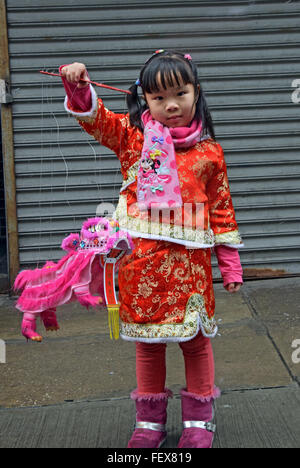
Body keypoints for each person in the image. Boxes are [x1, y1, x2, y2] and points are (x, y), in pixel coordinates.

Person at [60, 50, 243, 449]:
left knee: (195, 342)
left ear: (197, 92)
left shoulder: (210, 153)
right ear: (145, 99)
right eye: (159, 98)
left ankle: (199, 423)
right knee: (148, 343)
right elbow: (98, 121)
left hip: (189, 268)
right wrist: (79, 87)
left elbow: (222, 209)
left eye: (180, 93)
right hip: (140, 265)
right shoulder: (133, 138)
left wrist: (231, 267)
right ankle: (149, 424)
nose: (171, 105)